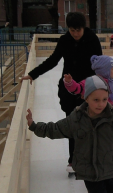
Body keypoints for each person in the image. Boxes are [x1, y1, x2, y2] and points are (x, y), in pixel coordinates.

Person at [21, 12, 102, 174]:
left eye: (78, 30)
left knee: (92, 125)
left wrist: (101, 86)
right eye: (72, 30)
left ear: (84, 28)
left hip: (88, 89)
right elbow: (53, 60)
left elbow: (99, 64)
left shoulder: (92, 39)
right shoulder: (65, 41)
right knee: (73, 124)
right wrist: (33, 74)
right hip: (69, 90)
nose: (76, 34)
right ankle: (73, 160)